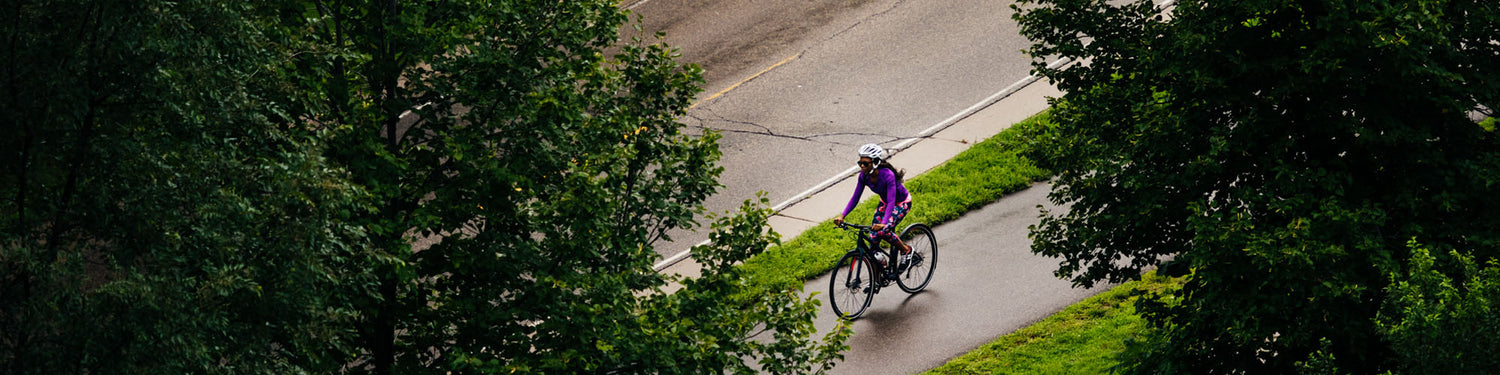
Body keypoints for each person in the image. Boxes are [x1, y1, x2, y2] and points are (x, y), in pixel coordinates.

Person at [833, 143, 914, 268]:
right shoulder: (864, 176)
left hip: (901, 203)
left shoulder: (888, 175)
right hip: (884, 203)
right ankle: (876, 280)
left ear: (875, 162)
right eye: (860, 163)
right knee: (873, 240)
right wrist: (842, 216)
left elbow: (892, 201)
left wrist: (884, 223)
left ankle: (906, 250)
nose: (862, 166)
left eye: (866, 163)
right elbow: (855, 197)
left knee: (884, 230)